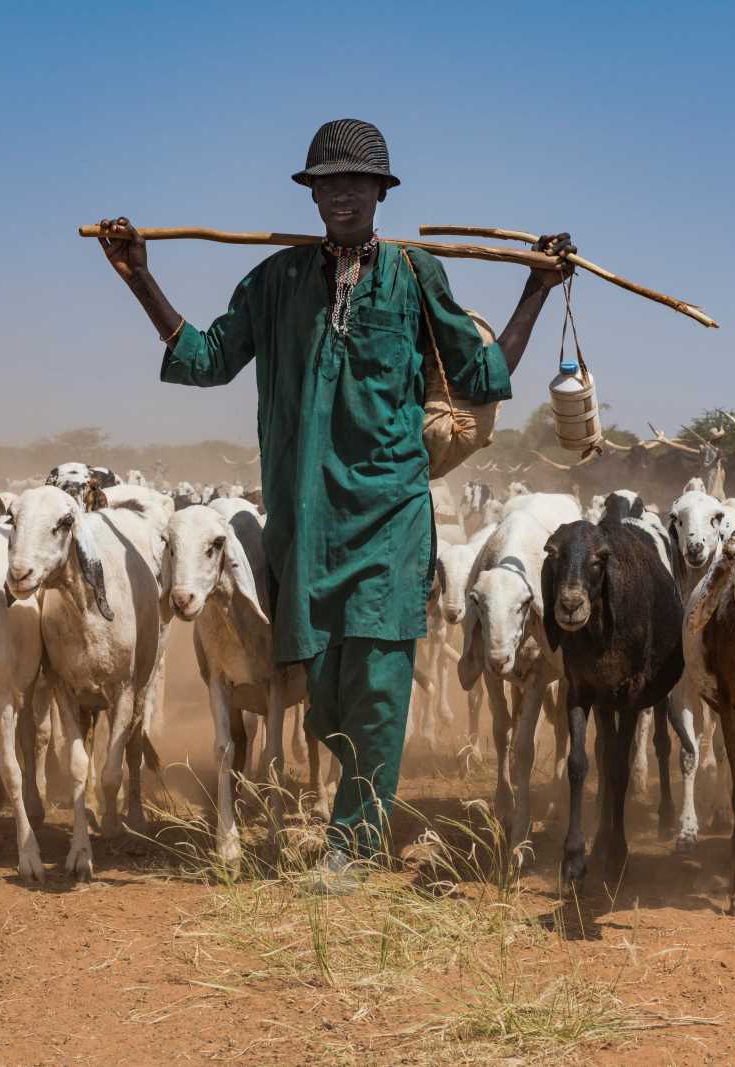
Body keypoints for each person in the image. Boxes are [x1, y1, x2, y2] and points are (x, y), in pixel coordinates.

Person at [97, 118, 572, 892]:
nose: (340, 195)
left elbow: (482, 375)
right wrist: (138, 278)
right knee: (322, 694)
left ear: (381, 192)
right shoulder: (274, 281)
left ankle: (352, 844)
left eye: (355, 183)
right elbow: (207, 359)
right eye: (326, 184)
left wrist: (535, 291)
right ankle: (353, 812)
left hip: (390, 515)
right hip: (306, 524)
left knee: (378, 687)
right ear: (311, 195)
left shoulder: (416, 275)